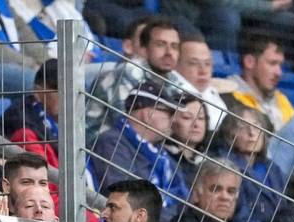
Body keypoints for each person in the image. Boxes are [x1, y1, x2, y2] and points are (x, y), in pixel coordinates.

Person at [224, 30, 294, 178]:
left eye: (280, 65)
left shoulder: (279, 98)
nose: (279, 72)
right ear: (250, 62)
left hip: (283, 167)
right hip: (257, 163)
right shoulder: (229, 91)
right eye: (272, 64)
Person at [92, 81, 188, 209]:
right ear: (148, 114)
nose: (174, 120)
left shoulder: (161, 153)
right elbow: (129, 200)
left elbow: (184, 197)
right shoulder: (112, 143)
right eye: (169, 113)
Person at [87, 19, 185, 136]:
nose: (169, 52)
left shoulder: (174, 81)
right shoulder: (127, 72)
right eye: (160, 44)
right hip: (100, 145)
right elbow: (126, 124)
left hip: (142, 146)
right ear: (145, 48)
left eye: (174, 46)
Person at [175, 36, 227, 132]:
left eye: (207, 64)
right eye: (194, 63)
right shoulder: (170, 95)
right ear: (176, 64)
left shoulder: (222, 94)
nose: (203, 71)